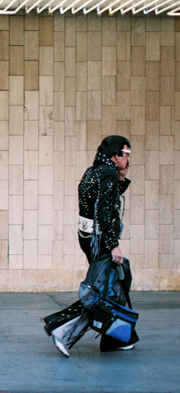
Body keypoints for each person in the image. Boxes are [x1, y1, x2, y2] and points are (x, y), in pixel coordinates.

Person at [44, 135, 134, 357]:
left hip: (88, 237)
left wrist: (121, 177)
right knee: (101, 289)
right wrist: (113, 246)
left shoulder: (93, 171)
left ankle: (116, 339)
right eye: (126, 154)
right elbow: (104, 211)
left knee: (113, 286)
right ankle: (62, 329)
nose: (128, 159)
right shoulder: (107, 174)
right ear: (115, 155)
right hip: (101, 239)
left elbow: (100, 201)